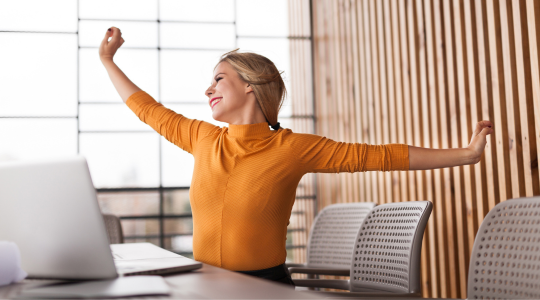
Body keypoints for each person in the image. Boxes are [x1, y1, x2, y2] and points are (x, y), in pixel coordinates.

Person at [99, 27, 493, 286]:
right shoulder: (203, 138)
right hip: (206, 283)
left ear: (250, 86)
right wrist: (107, 60)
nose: (208, 89)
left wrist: (467, 154)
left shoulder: (290, 148)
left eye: (219, 79)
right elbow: (147, 108)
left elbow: (377, 156)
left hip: (266, 286)